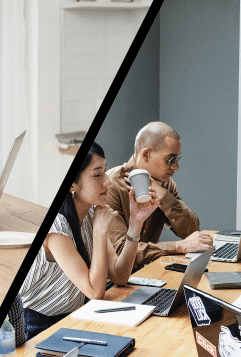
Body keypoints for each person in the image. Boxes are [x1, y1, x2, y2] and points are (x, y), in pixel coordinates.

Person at [19, 142, 159, 340]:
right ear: (72, 184)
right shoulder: (56, 227)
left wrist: (136, 223)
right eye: (97, 175)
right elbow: (94, 291)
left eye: (105, 172)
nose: (107, 182)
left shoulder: (92, 212)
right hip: (37, 326)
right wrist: (100, 231)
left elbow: (119, 276)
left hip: (74, 316)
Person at [105, 121, 212, 268]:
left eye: (177, 159)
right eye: (171, 160)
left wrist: (164, 197)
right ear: (146, 155)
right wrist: (177, 246)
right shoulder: (110, 186)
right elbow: (121, 252)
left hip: (143, 274)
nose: (176, 167)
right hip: (112, 282)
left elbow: (192, 231)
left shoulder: (165, 184)